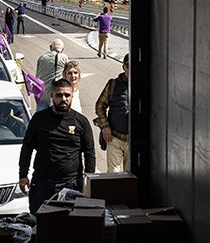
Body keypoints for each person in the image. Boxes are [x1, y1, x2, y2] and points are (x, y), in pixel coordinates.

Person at [18, 78, 96, 215]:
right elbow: (27, 147)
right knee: (40, 225)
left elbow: (89, 152)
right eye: (59, 95)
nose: (63, 99)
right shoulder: (39, 119)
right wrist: (23, 175)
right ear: (52, 96)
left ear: (72, 96)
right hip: (41, 184)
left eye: (67, 95)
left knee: (69, 226)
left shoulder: (81, 121)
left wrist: (88, 180)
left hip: (71, 184)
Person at [94, 53, 131, 172]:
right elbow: (100, 106)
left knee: (131, 178)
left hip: (134, 141)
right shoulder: (113, 84)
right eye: (128, 66)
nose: (130, 69)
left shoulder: (145, 85)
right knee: (113, 176)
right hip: (114, 138)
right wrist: (105, 127)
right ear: (124, 67)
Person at [34, 39, 68, 111]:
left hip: (43, 94)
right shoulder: (64, 58)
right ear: (63, 50)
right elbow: (67, 76)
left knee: (40, 119)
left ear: (50, 47)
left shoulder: (42, 58)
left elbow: (37, 77)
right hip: (56, 96)